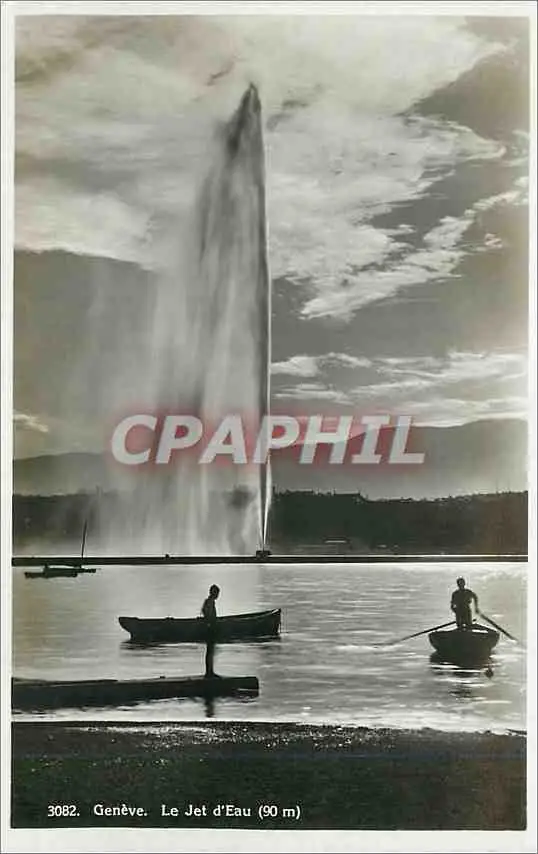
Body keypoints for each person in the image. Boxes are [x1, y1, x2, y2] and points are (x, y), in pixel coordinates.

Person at [201, 584, 220, 678]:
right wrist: (210, 622)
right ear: (213, 593)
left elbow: (204, 611)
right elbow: (207, 613)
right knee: (210, 651)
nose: (218, 595)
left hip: (210, 627)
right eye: (217, 593)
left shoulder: (209, 601)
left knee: (210, 651)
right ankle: (209, 672)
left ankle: (210, 671)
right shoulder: (209, 602)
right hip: (210, 629)